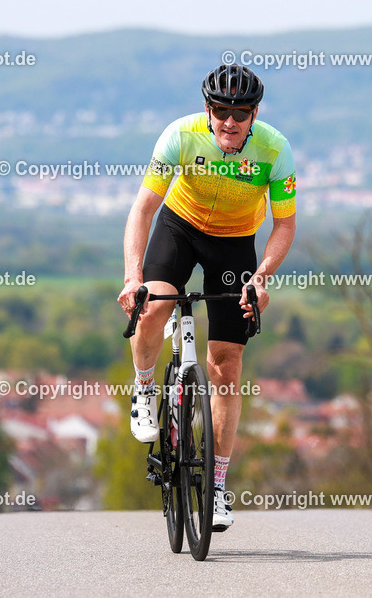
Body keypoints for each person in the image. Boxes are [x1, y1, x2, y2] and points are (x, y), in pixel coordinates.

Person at [117, 64, 297, 531]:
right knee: (154, 305)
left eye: (240, 113)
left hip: (234, 243)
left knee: (226, 363)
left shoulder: (275, 150)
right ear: (208, 110)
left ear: (254, 114)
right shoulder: (179, 136)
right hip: (179, 227)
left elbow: (284, 225)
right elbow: (143, 209)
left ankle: (216, 487)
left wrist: (261, 277)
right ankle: (143, 385)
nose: (229, 122)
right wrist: (133, 277)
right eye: (221, 112)